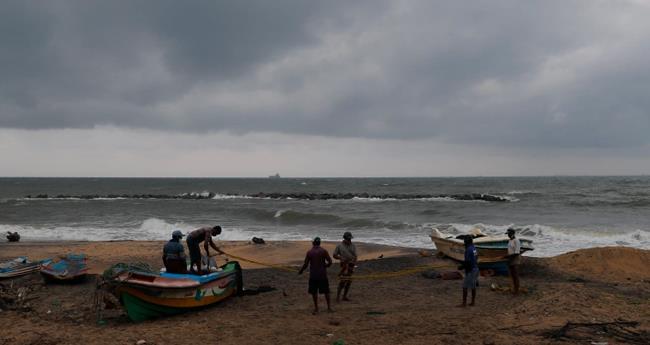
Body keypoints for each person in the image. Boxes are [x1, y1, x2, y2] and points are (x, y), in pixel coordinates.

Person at [298, 237, 333, 314]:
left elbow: (306, 264)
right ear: (319, 243)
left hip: (313, 275)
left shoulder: (310, 252)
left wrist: (301, 271)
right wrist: (325, 266)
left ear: (313, 243)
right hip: (322, 275)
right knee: (326, 291)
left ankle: (316, 308)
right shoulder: (324, 251)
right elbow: (330, 262)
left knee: (314, 292)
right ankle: (329, 308)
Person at [333, 231, 357, 302]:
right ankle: (338, 297)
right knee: (342, 282)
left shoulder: (353, 245)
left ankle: (344, 296)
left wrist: (354, 262)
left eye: (350, 239)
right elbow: (334, 255)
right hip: (343, 266)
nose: (350, 240)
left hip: (351, 266)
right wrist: (340, 258)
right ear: (345, 238)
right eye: (348, 239)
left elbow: (355, 256)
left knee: (349, 282)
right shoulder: (339, 246)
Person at [460, 236, 479, 307]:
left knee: (465, 286)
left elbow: (467, 262)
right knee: (473, 286)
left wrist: (461, 267)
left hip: (470, 270)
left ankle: (464, 303)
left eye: (465, 242)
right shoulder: (474, 248)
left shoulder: (468, 249)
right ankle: (473, 302)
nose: (464, 244)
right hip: (475, 268)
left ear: (467, 242)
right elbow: (476, 258)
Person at [506, 228, 521, 294]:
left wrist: (508, 257)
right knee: (512, 275)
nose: (508, 235)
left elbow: (517, 253)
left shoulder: (516, 241)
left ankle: (516, 290)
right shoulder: (510, 240)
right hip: (510, 259)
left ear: (512, 233)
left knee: (515, 275)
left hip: (514, 259)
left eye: (508, 234)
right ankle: (514, 289)